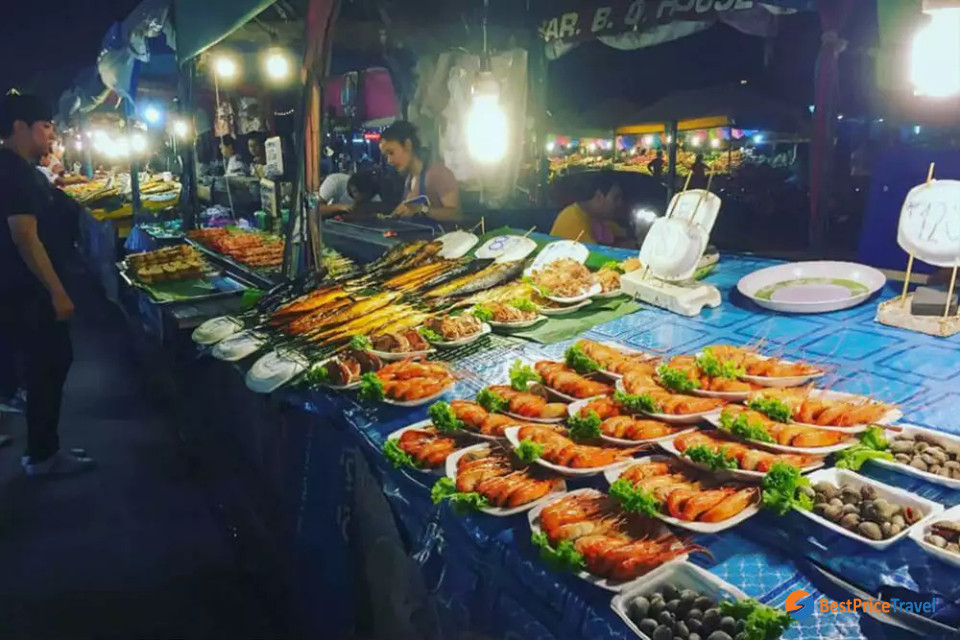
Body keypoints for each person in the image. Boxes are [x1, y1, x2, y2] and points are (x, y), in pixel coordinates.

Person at [0, 92, 93, 476]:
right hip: (29, 291)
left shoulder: (14, 168)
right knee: (50, 363)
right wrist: (56, 290)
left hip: (18, 289)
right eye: (45, 126)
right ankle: (42, 455)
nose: (51, 134)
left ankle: (42, 449)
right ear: (20, 127)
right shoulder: (14, 171)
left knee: (45, 364)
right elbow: (24, 234)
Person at [379, 121, 461, 224]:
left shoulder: (437, 173)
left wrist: (422, 209)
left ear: (408, 145)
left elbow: (456, 214)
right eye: (386, 156)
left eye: (391, 153)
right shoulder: (409, 179)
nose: (389, 161)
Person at [550, 171, 631, 247]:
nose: (619, 203)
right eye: (616, 198)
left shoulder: (593, 217)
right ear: (599, 196)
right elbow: (598, 256)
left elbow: (616, 230)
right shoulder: (573, 222)